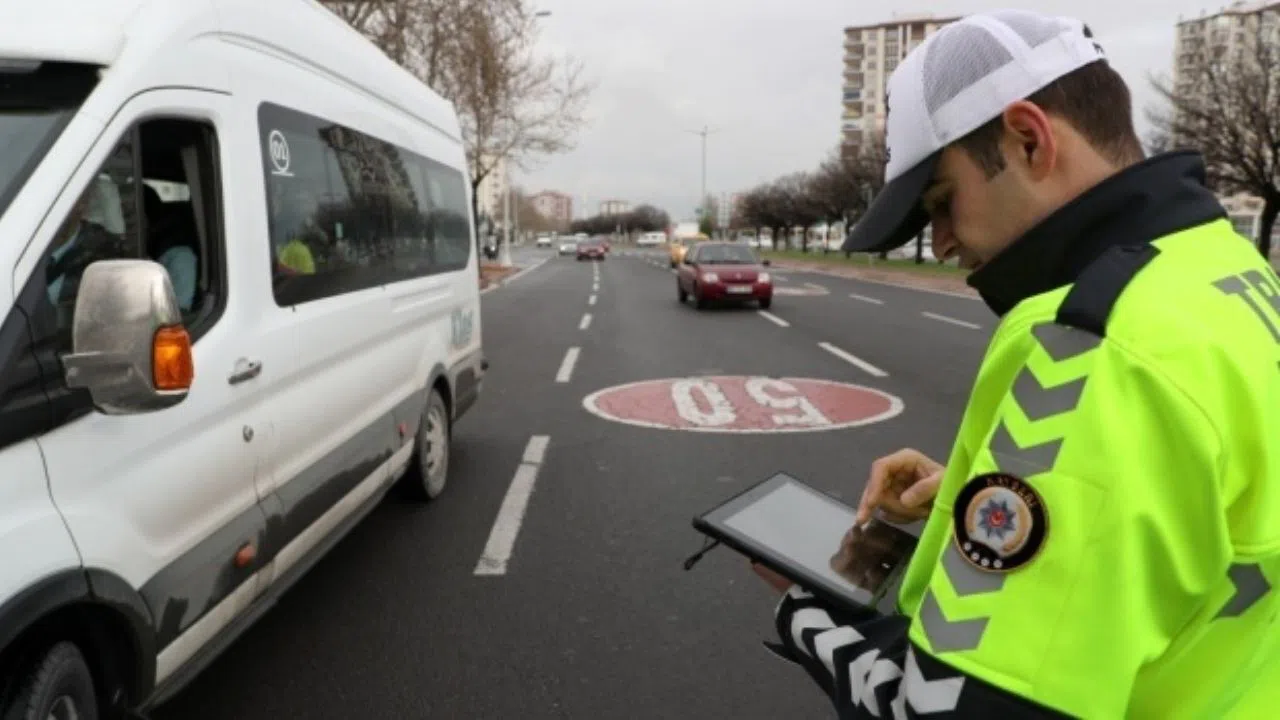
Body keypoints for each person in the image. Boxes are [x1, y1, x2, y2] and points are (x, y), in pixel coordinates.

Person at [753, 9, 1280, 719]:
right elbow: (1201, 519)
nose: (939, 243)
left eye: (942, 202)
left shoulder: (1091, 341)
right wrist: (981, 492)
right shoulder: (1227, 269)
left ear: (1029, 139)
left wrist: (802, 610)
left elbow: (942, 710)